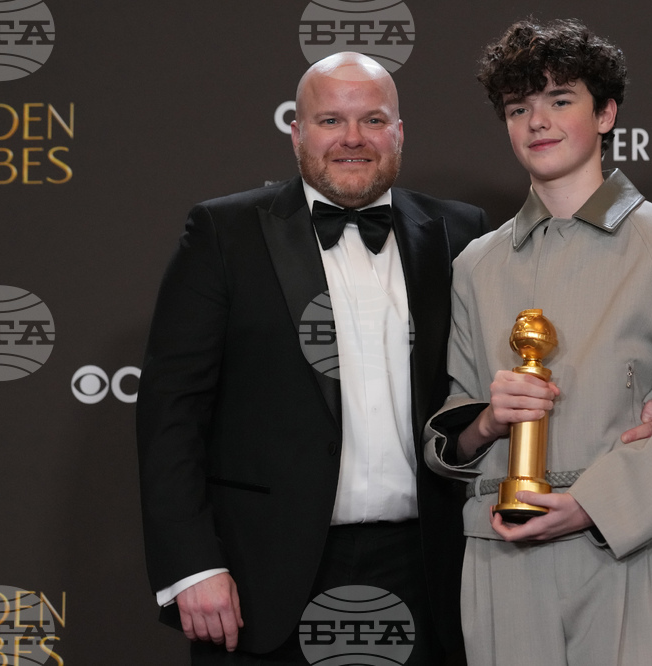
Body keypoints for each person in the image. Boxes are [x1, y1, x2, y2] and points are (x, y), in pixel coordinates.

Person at [423, 19, 652, 666]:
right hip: (500, 555)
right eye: (519, 107)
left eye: (560, 100)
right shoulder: (474, 267)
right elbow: (451, 433)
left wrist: (593, 506)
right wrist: (488, 420)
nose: (537, 122)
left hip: (622, 548)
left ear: (605, 114)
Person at [135, 51, 488, 665]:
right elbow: (171, 412)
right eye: (330, 121)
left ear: (399, 133)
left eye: (373, 120)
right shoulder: (224, 233)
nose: (353, 139)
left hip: (430, 573)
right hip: (264, 578)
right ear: (297, 132)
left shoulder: (459, 232)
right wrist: (192, 565)